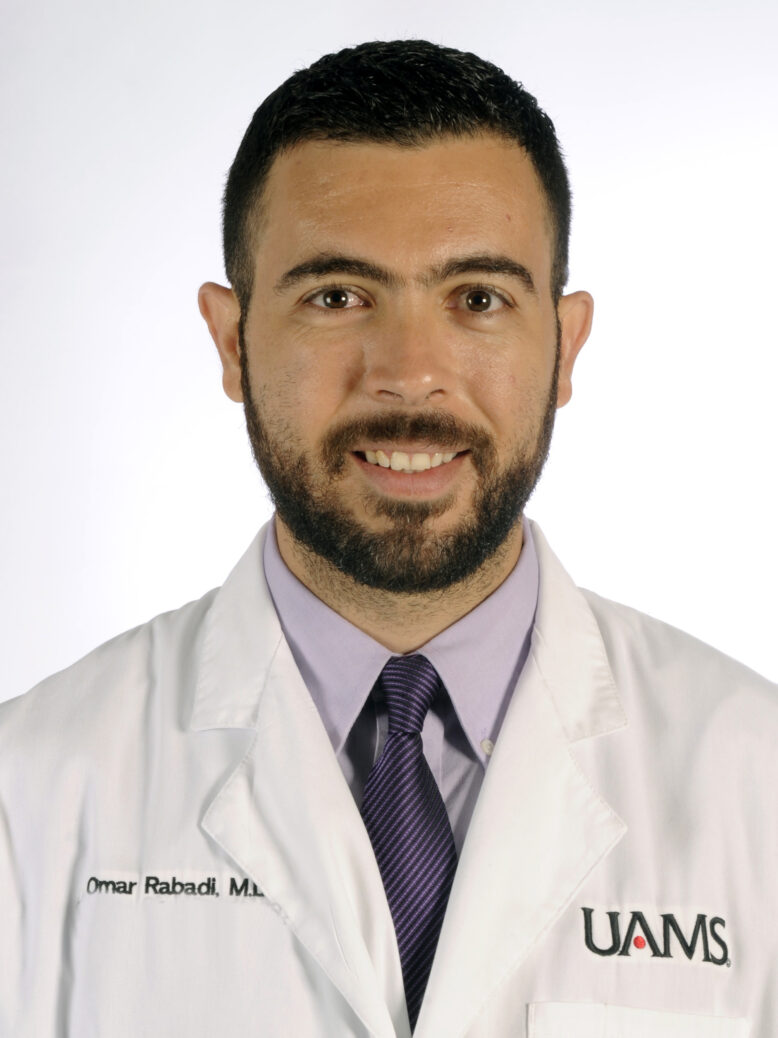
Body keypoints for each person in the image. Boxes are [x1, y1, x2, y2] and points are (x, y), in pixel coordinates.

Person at [0, 38, 774, 1038]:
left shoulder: (756, 784)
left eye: (478, 299)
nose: (410, 374)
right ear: (231, 341)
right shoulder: (30, 793)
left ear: (565, 346)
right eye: (336, 297)